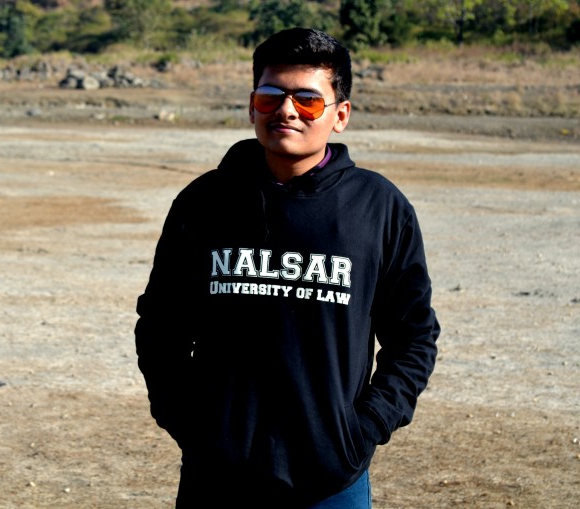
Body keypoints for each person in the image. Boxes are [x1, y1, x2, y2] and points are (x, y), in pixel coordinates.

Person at [135, 27, 440, 509]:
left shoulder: (378, 209)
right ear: (251, 106)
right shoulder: (205, 202)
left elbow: (414, 337)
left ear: (341, 115)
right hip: (216, 476)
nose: (287, 110)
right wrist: (189, 424)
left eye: (308, 100)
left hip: (331, 482)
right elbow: (161, 326)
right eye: (270, 96)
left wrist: (364, 430)